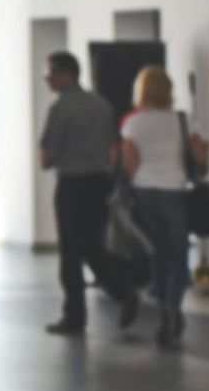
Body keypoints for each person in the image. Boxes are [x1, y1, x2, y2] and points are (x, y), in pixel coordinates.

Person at [40, 51, 140, 336]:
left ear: (67, 74)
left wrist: (55, 156)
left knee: (72, 252)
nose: (48, 79)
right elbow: (112, 146)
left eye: (51, 73)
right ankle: (123, 289)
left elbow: (47, 156)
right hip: (99, 183)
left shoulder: (61, 108)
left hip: (72, 184)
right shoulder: (101, 104)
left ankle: (76, 316)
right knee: (92, 245)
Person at [121, 65, 209, 346]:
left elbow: (129, 164)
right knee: (178, 256)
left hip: (145, 194)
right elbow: (199, 155)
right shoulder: (182, 120)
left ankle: (162, 311)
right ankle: (173, 308)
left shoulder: (133, 124)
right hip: (175, 192)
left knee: (156, 255)